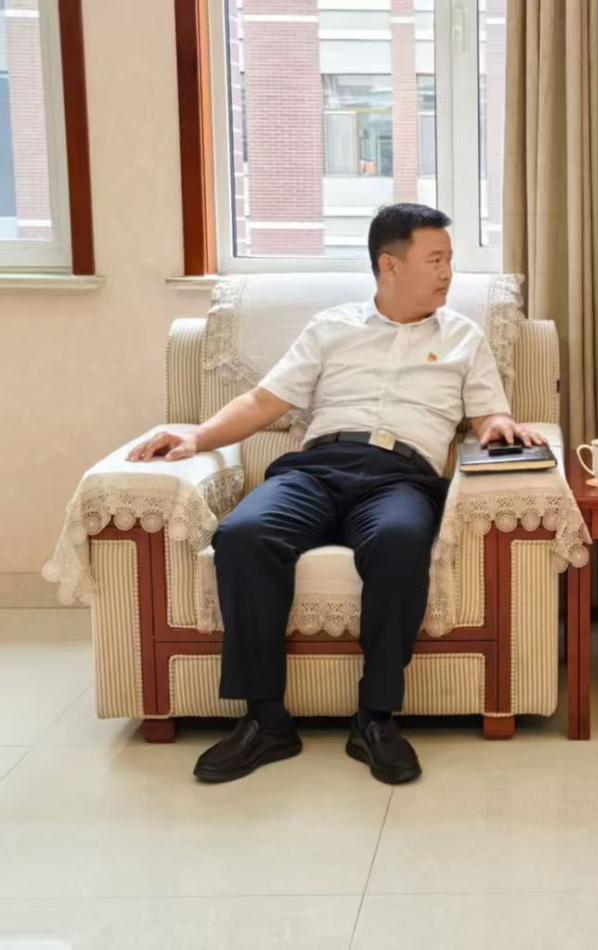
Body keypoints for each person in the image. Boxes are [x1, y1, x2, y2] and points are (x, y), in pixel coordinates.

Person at [128, 203, 546, 785]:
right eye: (435, 259)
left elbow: (487, 413)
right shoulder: (331, 327)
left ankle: (375, 718)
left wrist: (500, 426)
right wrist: (196, 436)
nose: (448, 272)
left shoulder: (463, 337)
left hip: (401, 476)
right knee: (244, 535)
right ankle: (265, 722)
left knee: (400, 542)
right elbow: (262, 402)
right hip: (316, 469)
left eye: (449, 259)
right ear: (390, 264)